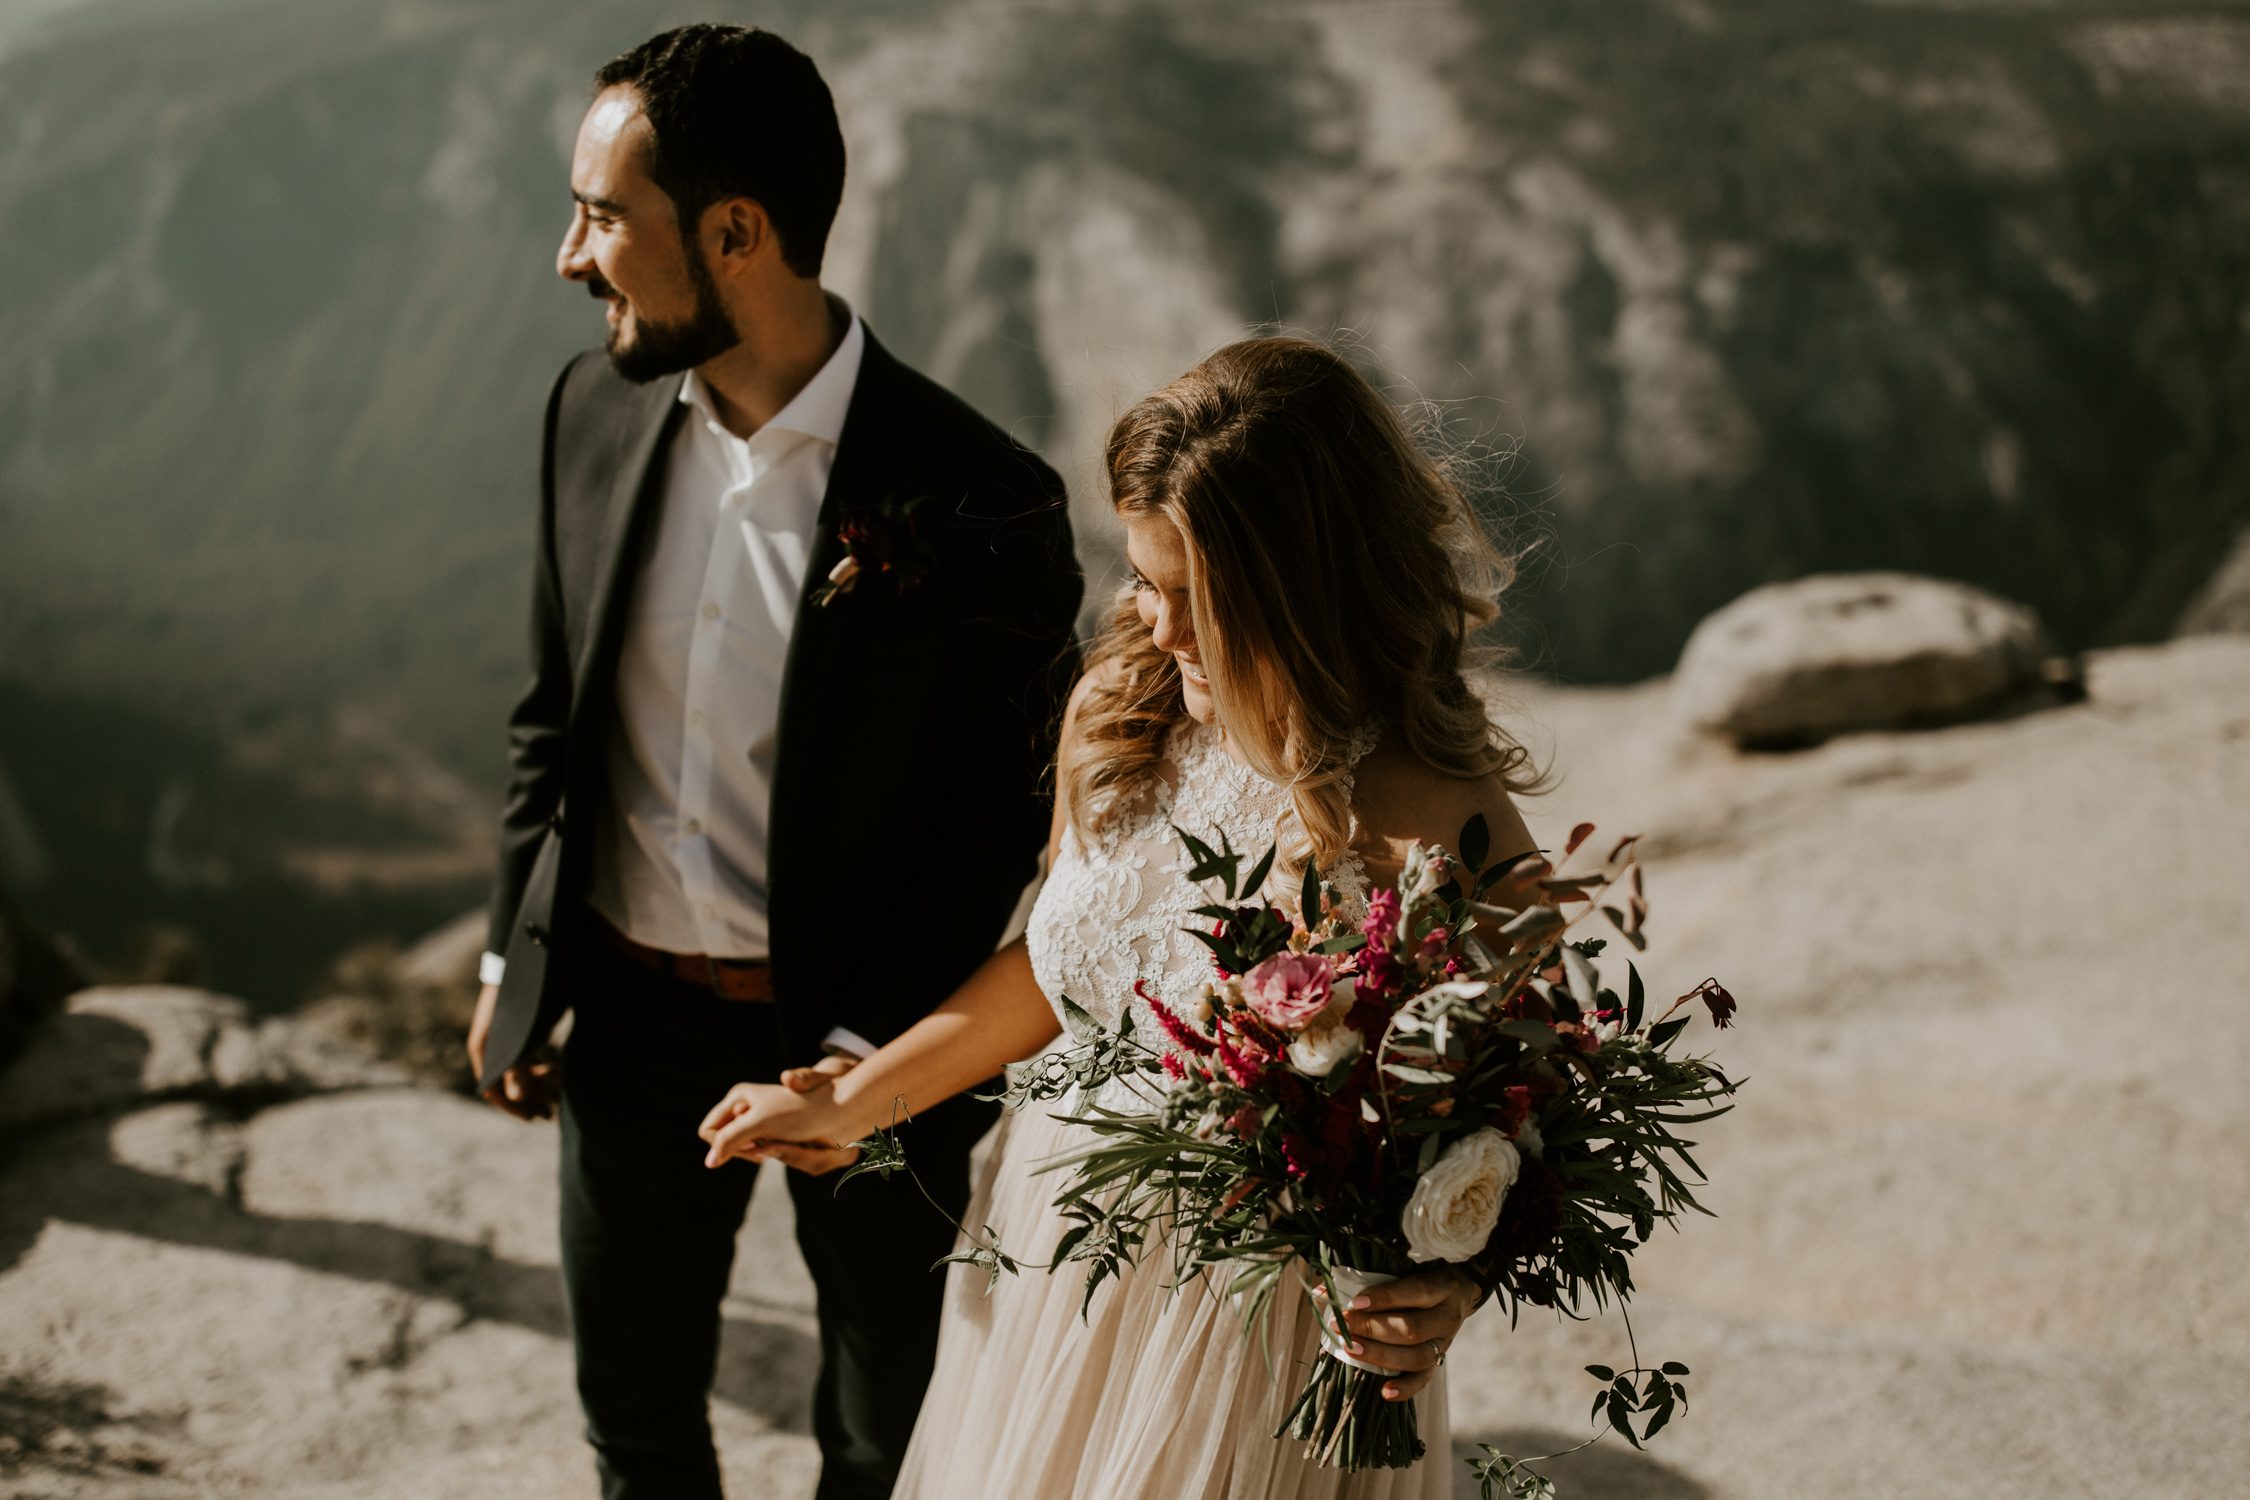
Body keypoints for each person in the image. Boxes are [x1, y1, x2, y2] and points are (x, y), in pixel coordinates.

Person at [701, 337, 1542, 1498]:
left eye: (1199, 597)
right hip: (1046, 1250)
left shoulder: (1437, 816)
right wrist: (856, 1096)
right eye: (1144, 580)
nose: (1157, 627)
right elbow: (1066, 973)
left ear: (1309, 583)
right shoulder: (1123, 712)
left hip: (1251, 1337)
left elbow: (1532, 1114)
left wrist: (1451, 1284)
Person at [464, 25, 1081, 1500]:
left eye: (604, 216)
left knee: (881, 1445)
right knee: (636, 1422)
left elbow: (996, 815)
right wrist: (513, 965)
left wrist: (869, 1068)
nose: (569, 256)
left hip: (871, 1045)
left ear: (735, 233)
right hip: (622, 1023)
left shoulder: (980, 498)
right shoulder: (588, 413)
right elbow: (550, 717)